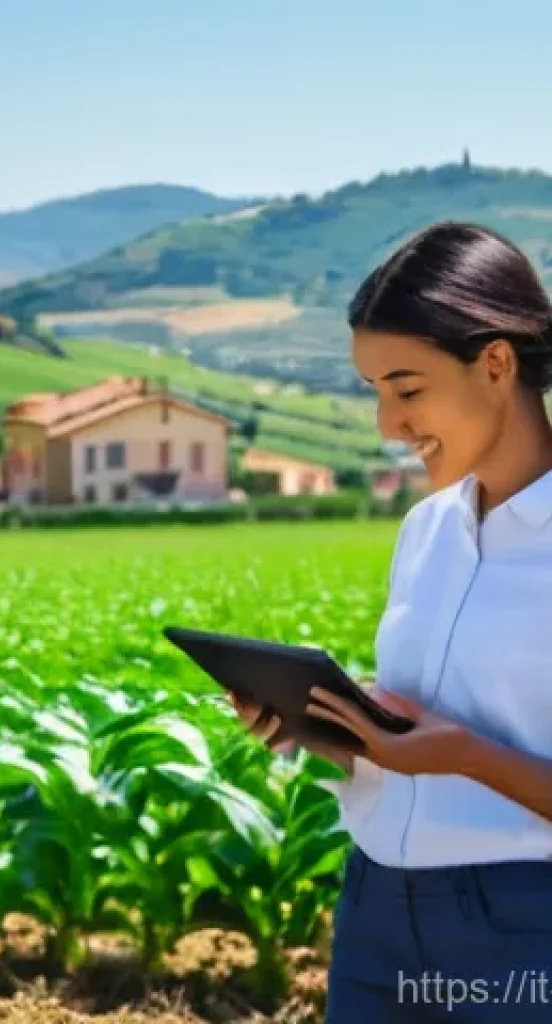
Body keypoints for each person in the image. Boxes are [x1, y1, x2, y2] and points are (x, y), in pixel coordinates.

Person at [232, 221, 552, 1021]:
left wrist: (467, 757)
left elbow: (454, 746)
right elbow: (412, 734)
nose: (387, 425)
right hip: (375, 908)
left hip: (521, 926)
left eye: (406, 389)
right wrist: (329, 724)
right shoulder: (427, 531)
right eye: (375, 393)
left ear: (496, 363)